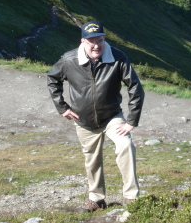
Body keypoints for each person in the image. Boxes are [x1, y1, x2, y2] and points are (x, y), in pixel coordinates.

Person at [47, 21, 145, 212]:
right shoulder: (69, 60)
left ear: (104, 39)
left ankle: (132, 197)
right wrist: (62, 107)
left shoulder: (117, 57)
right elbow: (52, 79)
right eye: (91, 41)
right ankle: (97, 200)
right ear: (83, 41)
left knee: (125, 145)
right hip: (83, 119)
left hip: (111, 116)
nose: (96, 45)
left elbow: (135, 87)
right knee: (92, 158)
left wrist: (131, 121)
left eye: (100, 40)